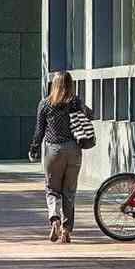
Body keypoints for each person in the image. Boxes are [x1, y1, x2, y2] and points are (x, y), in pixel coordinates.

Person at [28, 71, 87, 244]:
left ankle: (54, 220)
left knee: (52, 190)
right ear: (70, 84)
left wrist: (34, 148)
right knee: (69, 192)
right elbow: (90, 116)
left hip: (53, 151)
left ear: (53, 84)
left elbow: (39, 131)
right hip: (73, 150)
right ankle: (66, 230)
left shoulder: (45, 104)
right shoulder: (75, 102)